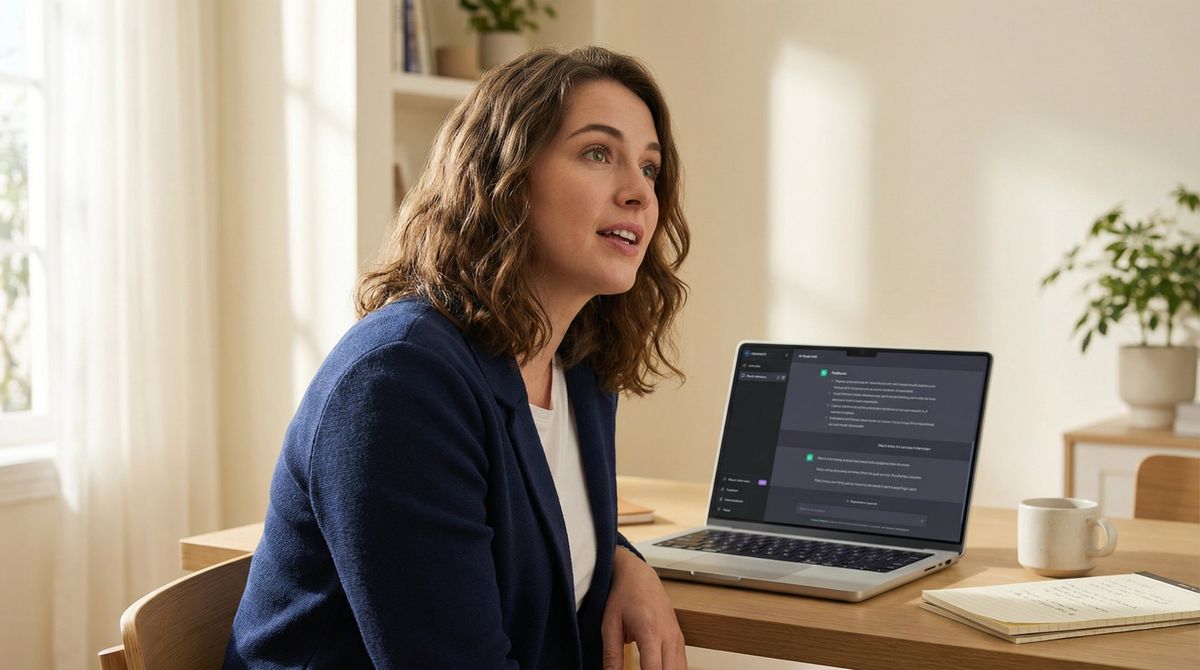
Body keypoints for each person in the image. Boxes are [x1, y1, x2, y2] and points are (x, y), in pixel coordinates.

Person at [225, 45, 690, 670]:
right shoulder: (399, 380)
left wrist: (622, 558)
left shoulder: (578, 363)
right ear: (505, 178)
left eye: (650, 167)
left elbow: (532, 516)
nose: (639, 192)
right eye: (597, 153)